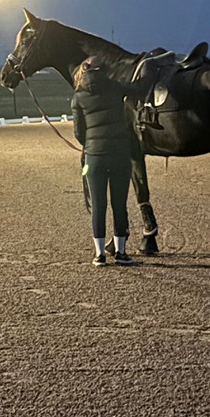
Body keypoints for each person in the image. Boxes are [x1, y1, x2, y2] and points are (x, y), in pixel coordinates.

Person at [71, 56, 137, 266]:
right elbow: (136, 89)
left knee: (99, 205)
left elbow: (79, 133)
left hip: (94, 157)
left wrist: (91, 144)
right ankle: (121, 252)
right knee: (120, 204)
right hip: (119, 154)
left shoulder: (78, 96)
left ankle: (99, 254)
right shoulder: (116, 88)